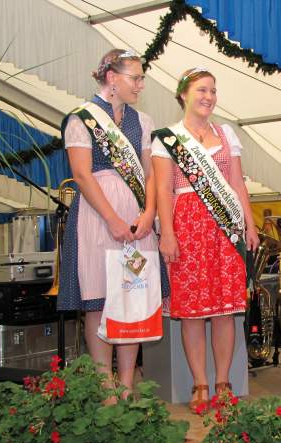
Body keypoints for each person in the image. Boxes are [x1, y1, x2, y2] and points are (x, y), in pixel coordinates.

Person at [58, 49, 168, 397]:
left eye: (141, 78)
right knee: (100, 299)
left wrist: (148, 213)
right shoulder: (81, 119)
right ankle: (104, 384)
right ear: (112, 78)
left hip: (137, 219)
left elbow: (150, 174)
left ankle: (126, 383)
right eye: (135, 78)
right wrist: (112, 219)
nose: (140, 84)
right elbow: (81, 174)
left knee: (133, 296)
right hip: (97, 217)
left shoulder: (143, 121)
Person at [152, 67, 259, 412]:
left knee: (225, 311)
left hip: (226, 229)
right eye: (201, 90)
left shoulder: (227, 134)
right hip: (186, 228)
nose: (208, 97)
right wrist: (167, 234)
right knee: (193, 312)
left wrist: (250, 224)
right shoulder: (167, 139)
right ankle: (199, 382)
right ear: (183, 94)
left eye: (213, 90)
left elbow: (238, 183)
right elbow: (163, 190)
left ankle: (223, 382)